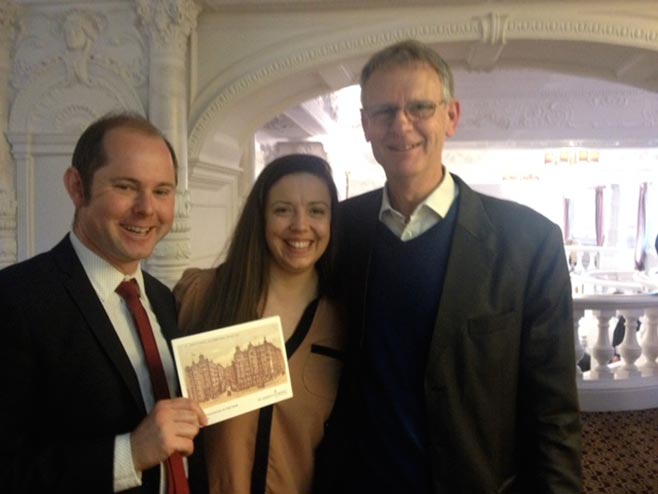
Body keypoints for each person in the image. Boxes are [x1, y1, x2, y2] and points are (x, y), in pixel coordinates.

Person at [315, 39, 582, 493]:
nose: (401, 125)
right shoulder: (339, 230)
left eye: (419, 107)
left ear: (450, 117)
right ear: (364, 125)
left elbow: (553, 415)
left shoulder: (529, 242)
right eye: (383, 111)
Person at [0, 112, 208, 493]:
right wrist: (130, 454)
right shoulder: (15, 301)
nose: (147, 208)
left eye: (162, 191)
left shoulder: (162, 299)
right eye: (127, 187)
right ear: (77, 188)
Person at [174, 153, 345, 494]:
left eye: (316, 211)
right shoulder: (201, 295)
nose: (300, 225)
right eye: (282, 210)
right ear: (261, 218)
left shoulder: (342, 323)